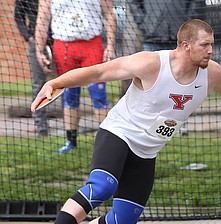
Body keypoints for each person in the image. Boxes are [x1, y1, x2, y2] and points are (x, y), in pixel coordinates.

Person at [31, 19, 221, 224]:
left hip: (147, 150)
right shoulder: (151, 64)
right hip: (119, 132)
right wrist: (56, 83)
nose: (211, 50)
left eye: (212, 44)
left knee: (125, 219)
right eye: (205, 45)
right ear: (185, 45)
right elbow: (99, 72)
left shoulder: (210, 73)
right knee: (101, 187)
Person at [35, 0, 117, 153]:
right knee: (70, 95)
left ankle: (108, 143)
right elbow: (43, 18)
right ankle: (70, 142)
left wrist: (110, 46)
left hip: (91, 45)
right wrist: (39, 50)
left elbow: (110, 14)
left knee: (98, 94)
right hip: (64, 47)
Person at [14, 0, 51, 137]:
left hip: (59, 41)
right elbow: (18, 15)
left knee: (65, 83)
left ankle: (69, 129)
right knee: (38, 85)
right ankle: (41, 128)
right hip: (35, 42)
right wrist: (28, 37)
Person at [128, 0, 206, 52]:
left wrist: (189, 22)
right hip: (152, 38)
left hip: (182, 40)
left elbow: (197, 3)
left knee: (182, 75)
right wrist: (144, 23)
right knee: (153, 74)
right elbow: (134, 2)